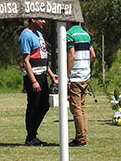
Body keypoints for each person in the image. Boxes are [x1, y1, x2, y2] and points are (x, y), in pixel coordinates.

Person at [19, 18, 58, 146]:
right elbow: (26, 61)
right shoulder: (26, 35)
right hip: (34, 76)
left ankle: (32, 134)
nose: (44, 22)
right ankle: (30, 137)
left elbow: (43, 57)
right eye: (41, 19)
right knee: (33, 105)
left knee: (44, 105)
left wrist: (51, 74)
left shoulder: (39, 34)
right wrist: (33, 81)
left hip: (42, 75)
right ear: (33, 19)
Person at [67, 22, 96, 147]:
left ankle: (81, 137)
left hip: (75, 76)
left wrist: (66, 74)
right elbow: (93, 55)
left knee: (76, 108)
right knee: (82, 107)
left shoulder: (69, 34)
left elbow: (71, 55)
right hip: (85, 75)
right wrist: (86, 66)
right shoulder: (86, 35)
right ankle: (83, 135)